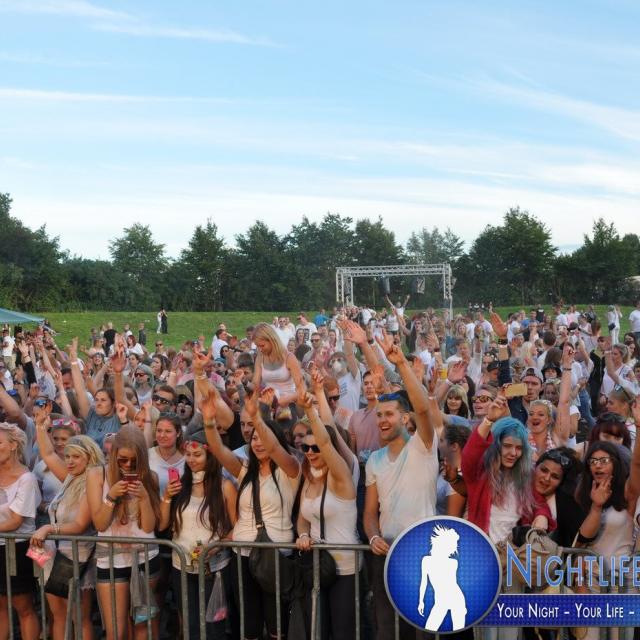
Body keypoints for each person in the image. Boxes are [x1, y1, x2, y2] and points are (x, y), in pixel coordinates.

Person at [202, 388, 301, 639]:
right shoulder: (245, 470)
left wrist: (257, 418)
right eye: (253, 438)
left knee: (277, 626)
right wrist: (209, 421)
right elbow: (218, 449)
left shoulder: (290, 470)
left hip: (275, 555)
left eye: (261, 437)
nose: (257, 442)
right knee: (250, 626)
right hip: (242, 555)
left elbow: (275, 449)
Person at [363, 331, 438, 640]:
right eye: (379, 414)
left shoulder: (424, 445)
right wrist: (373, 536)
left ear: (405, 418)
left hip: (424, 553)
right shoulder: (374, 460)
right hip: (387, 556)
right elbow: (370, 512)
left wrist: (401, 365)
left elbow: (423, 409)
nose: (382, 420)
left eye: (389, 414)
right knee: (388, 631)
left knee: (424, 632)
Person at [31, 417, 104, 640]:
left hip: (77, 557)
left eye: (76, 457)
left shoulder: (92, 483)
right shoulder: (70, 478)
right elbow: (48, 454)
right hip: (53, 555)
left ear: (90, 457)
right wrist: (40, 426)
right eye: (68, 456)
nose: (69, 461)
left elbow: (80, 525)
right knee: (58, 615)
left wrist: (47, 529)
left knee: (79, 617)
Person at [159, 430, 236, 640]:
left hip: (215, 567)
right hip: (181, 565)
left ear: (210, 456)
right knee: (190, 625)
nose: (191, 459)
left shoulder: (225, 486)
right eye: (188, 454)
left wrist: (216, 547)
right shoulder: (179, 485)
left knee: (214, 626)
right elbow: (162, 524)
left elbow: (237, 527)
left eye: (197, 455)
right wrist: (167, 497)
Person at [295, 389, 360, 640]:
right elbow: (303, 519)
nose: (310, 452)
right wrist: (303, 535)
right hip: (316, 566)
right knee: (317, 631)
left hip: (344, 568)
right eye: (305, 447)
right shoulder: (309, 478)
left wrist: (310, 411)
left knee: (342, 633)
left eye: (315, 447)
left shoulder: (340, 476)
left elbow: (325, 442)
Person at [86, 426, 161, 640]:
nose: (128, 465)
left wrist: (144, 498)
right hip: (110, 559)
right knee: (116, 632)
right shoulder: (97, 474)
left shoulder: (151, 477)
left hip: (145, 557)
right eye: (122, 460)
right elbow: (100, 524)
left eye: (134, 461)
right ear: (114, 455)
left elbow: (149, 527)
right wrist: (111, 497)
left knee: (142, 627)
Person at [252, 322, 304, 424]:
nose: (260, 349)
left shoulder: (289, 357)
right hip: (268, 403)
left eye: (262, 345)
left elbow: (302, 389)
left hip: (288, 404)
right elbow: (255, 385)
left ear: (272, 340)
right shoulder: (260, 358)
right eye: (257, 346)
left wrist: (287, 399)